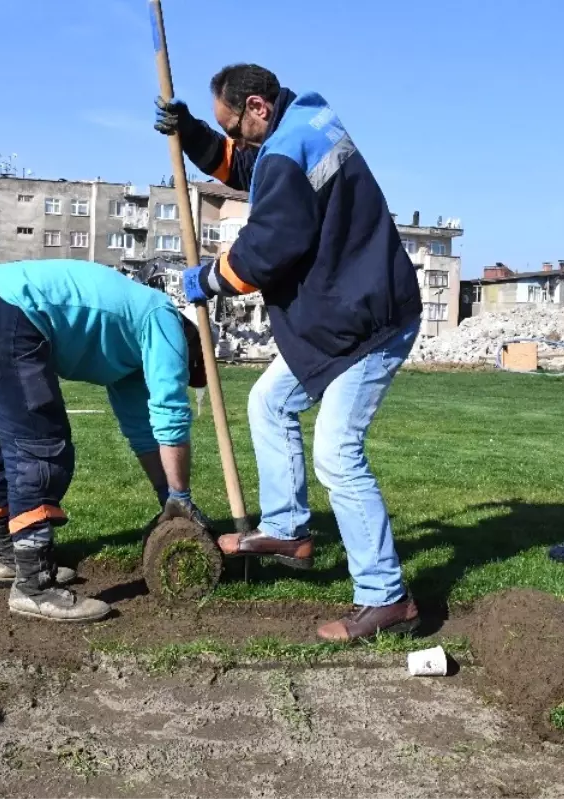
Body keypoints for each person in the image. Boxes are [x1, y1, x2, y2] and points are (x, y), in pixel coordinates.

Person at [156, 64, 423, 642]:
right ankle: (287, 528)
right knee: (269, 402)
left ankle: (387, 599)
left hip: (368, 323)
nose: (237, 139)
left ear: (257, 106)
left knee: (336, 455)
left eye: (235, 125)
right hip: (346, 313)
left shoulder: (283, 151)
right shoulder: (304, 123)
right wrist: (195, 133)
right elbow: (248, 166)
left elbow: (267, 249)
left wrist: (208, 279)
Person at [0, 260, 212, 623]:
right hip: (8, 312)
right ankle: (34, 586)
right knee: (39, 445)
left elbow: (143, 432)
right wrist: (181, 497)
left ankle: (7, 557)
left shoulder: (131, 345)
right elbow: (170, 413)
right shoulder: (163, 320)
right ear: (190, 346)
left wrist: (168, 497)